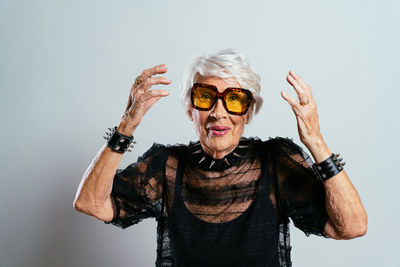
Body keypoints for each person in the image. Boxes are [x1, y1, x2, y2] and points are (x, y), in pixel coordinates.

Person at [73, 49, 367, 267]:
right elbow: (91, 203)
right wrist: (126, 125)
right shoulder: (167, 165)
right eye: (205, 97)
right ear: (191, 110)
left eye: (234, 99)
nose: (218, 112)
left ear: (249, 111)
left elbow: (351, 226)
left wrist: (315, 141)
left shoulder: (276, 160)